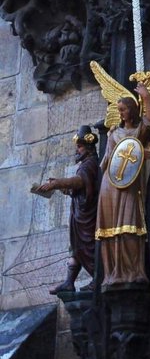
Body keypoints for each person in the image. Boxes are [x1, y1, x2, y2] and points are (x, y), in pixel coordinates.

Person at [95, 83, 150, 284]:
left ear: (132, 110)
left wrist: (146, 97)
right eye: (119, 110)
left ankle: (132, 271)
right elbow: (107, 161)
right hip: (110, 184)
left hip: (129, 184)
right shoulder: (114, 133)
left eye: (123, 109)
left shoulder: (139, 130)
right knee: (110, 228)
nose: (120, 113)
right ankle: (112, 272)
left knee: (130, 223)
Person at [31, 124, 100, 292]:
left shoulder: (90, 164)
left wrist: (56, 183)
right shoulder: (85, 164)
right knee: (76, 249)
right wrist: (64, 188)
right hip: (79, 216)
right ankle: (69, 282)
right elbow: (79, 188)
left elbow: (79, 181)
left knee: (88, 248)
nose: (77, 150)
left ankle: (98, 277)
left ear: (88, 148)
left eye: (80, 146)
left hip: (88, 218)